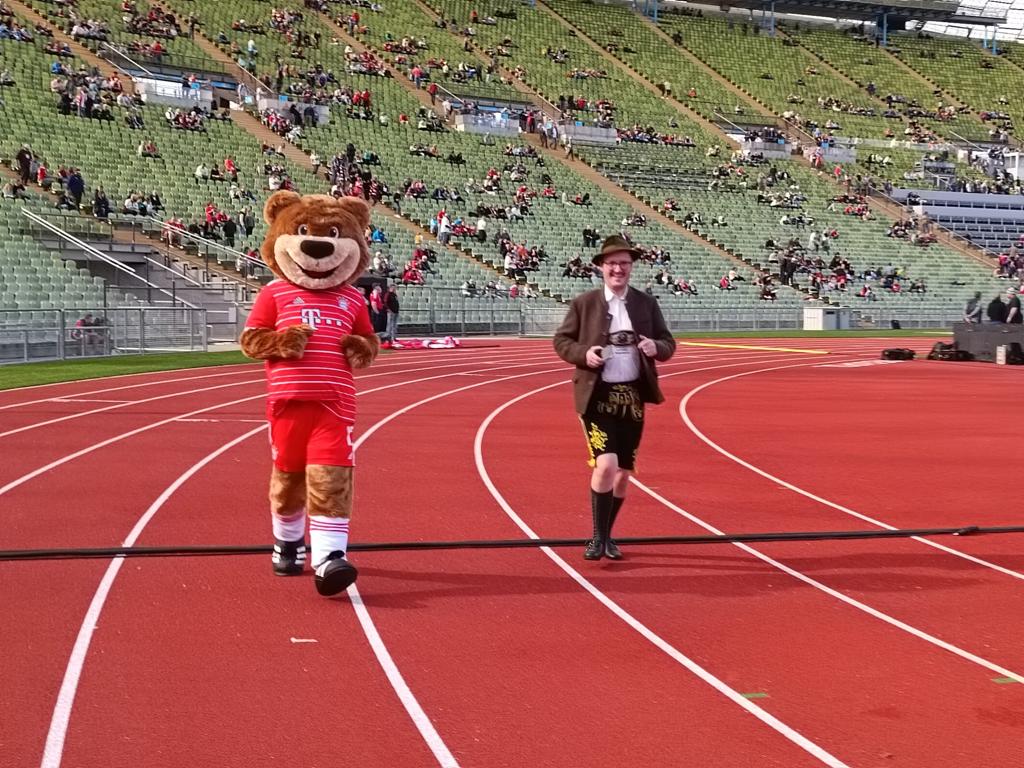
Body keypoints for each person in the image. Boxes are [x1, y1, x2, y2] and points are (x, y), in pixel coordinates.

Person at [553, 235, 676, 561]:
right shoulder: (584, 303)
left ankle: (608, 536)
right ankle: (597, 538)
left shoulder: (646, 304)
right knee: (606, 465)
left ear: (631, 267)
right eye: (612, 264)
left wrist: (655, 347)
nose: (618, 269)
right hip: (597, 397)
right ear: (600, 267)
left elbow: (668, 343)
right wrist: (584, 354)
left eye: (624, 263)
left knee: (622, 473)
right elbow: (562, 341)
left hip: (632, 399)